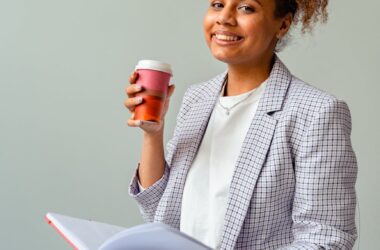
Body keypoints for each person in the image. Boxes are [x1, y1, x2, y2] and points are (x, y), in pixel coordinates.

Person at [124, 0, 357, 249]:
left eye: (246, 8)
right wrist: (152, 134)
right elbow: (159, 212)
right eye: (217, 4)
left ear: (283, 24)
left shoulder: (316, 112)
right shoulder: (197, 98)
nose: (224, 18)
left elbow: (325, 238)